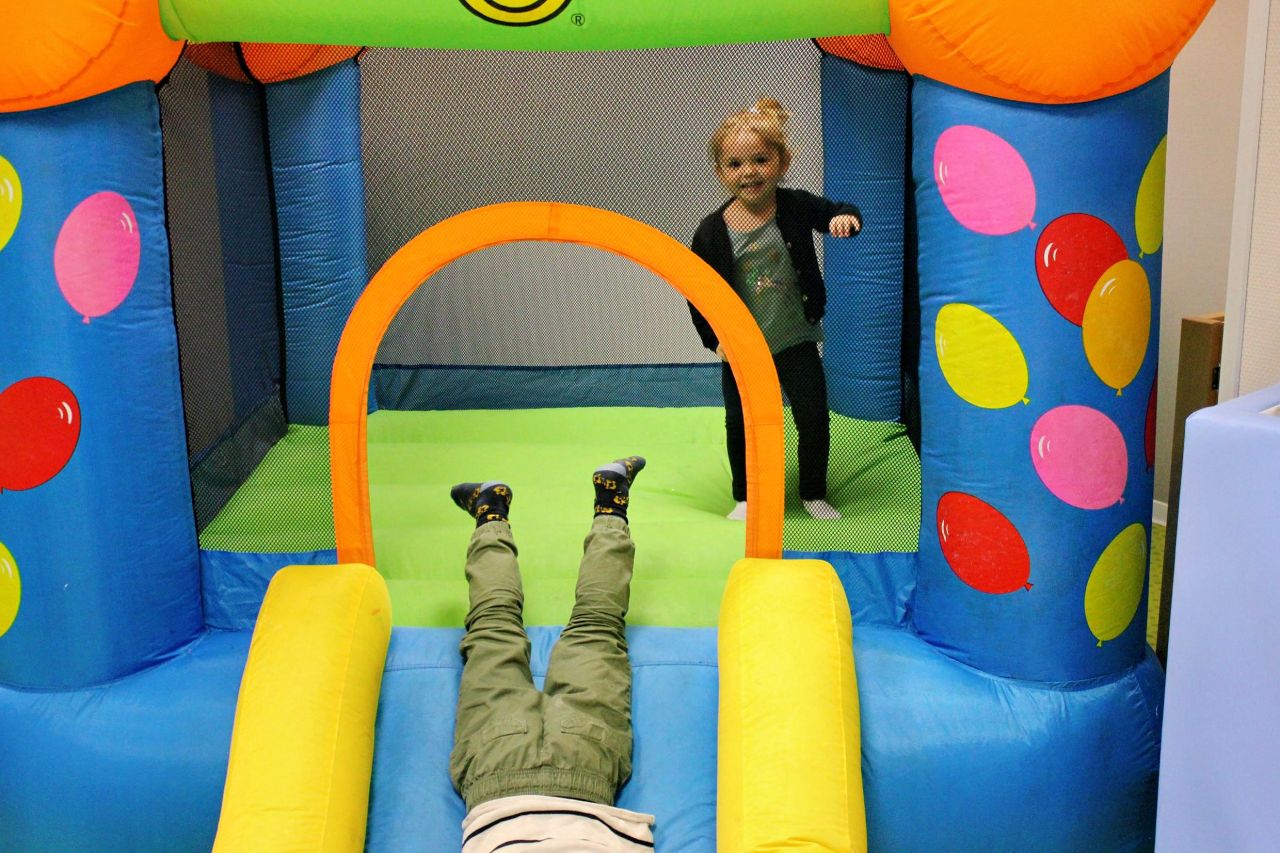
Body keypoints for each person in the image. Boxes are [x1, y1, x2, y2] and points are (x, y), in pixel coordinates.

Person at [448, 456, 655, 851]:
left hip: (585, 765)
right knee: (493, 630)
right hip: (496, 768)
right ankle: (490, 512)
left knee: (597, 628)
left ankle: (610, 507)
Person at [688, 97, 862, 521]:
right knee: (740, 423)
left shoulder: (795, 206)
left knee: (813, 415)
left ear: (782, 163)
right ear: (720, 172)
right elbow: (698, 291)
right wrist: (715, 341)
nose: (748, 172)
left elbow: (839, 210)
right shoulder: (712, 232)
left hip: (793, 337)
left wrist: (843, 220)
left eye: (760, 160)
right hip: (743, 347)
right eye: (735, 164)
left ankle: (813, 492)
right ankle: (746, 496)